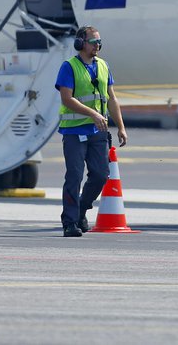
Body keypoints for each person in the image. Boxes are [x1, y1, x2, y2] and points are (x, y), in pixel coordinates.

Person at [56, 25, 128, 237]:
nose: (99, 45)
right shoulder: (69, 67)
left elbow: (112, 99)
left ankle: (80, 209)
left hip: (98, 132)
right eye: (94, 42)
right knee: (75, 176)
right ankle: (69, 222)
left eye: (99, 41)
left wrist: (121, 127)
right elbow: (66, 99)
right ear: (81, 43)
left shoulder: (104, 66)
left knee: (100, 175)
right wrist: (93, 114)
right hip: (74, 131)